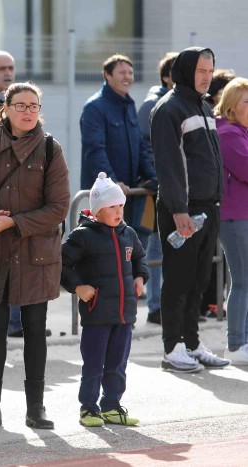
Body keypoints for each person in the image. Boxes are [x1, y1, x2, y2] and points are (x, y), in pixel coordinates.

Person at [0, 82, 69, 429]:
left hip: (36, 251)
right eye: (20, 105)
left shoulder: (51, 148)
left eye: (33, 106)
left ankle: (35, 408)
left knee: (35, 330)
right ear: (5, 108)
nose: (27, 111)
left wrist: (15, 222)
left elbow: (58, 208)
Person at [150, 46, 231, 373]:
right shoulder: (169, 109)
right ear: (185, 70)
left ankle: (193, 344)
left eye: (210, 71)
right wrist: (179, 209)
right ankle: (173, 348)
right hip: (182, 210)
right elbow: (169, 165)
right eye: (201, 71)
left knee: (199, 280)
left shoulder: (204, 107)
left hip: (208, 207)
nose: (206, 77)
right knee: (179, 279)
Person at [62, 172, 147, 428]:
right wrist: (78, 286)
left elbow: (140, 259)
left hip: (124, 315)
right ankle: (88, 409)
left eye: (121, 205)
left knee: (117, 365)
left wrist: (140, 277)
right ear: (97, 210)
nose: (118, 211)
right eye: (112, 206)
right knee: (94, 364)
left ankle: (112, 405)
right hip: (97, 314)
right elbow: (62, 265)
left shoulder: (128, 233)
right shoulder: (83, 236)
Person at [80, 54, 157, 248]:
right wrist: (111, 182)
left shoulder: (129, 105)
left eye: (130, 72)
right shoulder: (95, 107)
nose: (127, 77)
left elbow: (139, 146)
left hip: (129, 196)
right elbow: (95, 150)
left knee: (130, 253)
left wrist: (152, 178)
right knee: (107, 253)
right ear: (107, 75)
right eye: (122, 72)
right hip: (106, 198)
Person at [137, 52, 178, 325]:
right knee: (153, 247)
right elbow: (145, 146)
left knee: (164, 249)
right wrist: (155, 178)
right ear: (166, 77)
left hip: (170, 185)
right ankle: (154, 307)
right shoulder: (154, 104)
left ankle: (160, 305)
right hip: (155, 188)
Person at [215, 77, 248, 365]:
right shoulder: (228, 134)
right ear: (232, 106)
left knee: (244, 281)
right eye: (247, 101)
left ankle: (242, 341)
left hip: (241, 215)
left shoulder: (240, 132)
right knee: (242, 281)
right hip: (235, 217)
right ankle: (236, 345)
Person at [200, 68, 236, 318]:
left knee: (223, 261)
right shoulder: (220, 129)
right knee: (212, 257)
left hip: (224, 204)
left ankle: (216, 303)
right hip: (215, 203)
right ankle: (211, 304)